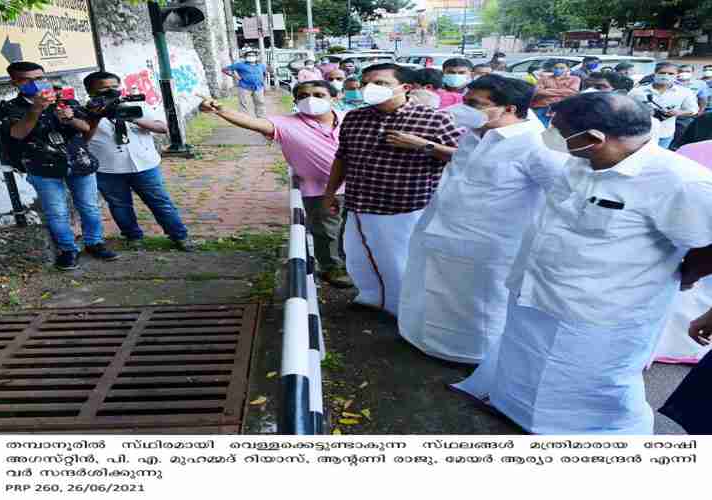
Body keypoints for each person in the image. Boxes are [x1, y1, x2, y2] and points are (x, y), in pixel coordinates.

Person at [453, 92, 712, 434]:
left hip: (601, 310)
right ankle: (517, 414)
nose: (548, 133)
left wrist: (686, 275)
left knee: (590, 385)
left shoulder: (680, 182)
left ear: (594, 139)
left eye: (557, 129)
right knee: (525, 362)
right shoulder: (580, 159)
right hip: (537, 291)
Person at [397, 75, 566, 363]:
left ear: (510, 108)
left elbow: (564, 196)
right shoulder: (475, 132)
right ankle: (427, 342)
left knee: (477, 308)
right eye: (465, 101)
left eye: (475, 104)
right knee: (430, 294)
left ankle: (475, 359)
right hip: (439, 232)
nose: (464, 108)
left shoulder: (539, 145)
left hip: (488, 249)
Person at [321, 63, 461, 316]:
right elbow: (342, 158)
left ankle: (405, 312)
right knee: (359, 258)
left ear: (405, 88)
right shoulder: (355, 117)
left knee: (401, 264)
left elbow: (466, 157)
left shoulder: (435, 118)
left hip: (405, 209)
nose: (369, 88)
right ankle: (372, 298)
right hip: (359, 203)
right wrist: (330, 193)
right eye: (366, 83)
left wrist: (424, 145)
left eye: (380, 83)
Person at [198, 81, 353, 288]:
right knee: (326, 233)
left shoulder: (351, 119)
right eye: (304, 95)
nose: (311, 99)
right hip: (319, 191)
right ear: (296, 101)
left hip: (360, 187)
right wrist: (220, 110)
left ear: (334, 98)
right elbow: (250, 122)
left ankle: (356, 265)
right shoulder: (284, 124)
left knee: (355, 231)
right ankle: (331, 267)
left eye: (318, 94)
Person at [0, 62, 118, 270]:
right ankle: (68, 249)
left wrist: (70, 119)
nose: (37, 83)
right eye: (28, 80)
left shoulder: (65, 100)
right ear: (15, 82)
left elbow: (86, 127)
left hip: (79, 161)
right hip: (42, 167)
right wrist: (36, 108)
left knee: (89, 207)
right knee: (57, 212)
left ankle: (94, 243)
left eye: (40, 78)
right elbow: (17, 133)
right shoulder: (10, 108)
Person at [82, 71, 191, 252]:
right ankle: (133, 236)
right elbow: (82, 139)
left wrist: (133, 117)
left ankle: (180, 236)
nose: (111, 91)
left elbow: (162, 128)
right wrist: (96, 116)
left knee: (160, 202)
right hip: (109, 168)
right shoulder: (83, 112)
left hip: (145, 165)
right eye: (103, 88)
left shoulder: (136, 103)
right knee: (119, 205)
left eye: (114, 87)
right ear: (90, 91)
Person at [628, 62, 698, 149]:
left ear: (676, 75)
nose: (666, 76)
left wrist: (678, 112)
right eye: (662, 73)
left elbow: (693, 110)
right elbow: (625, 108)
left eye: (671, 74)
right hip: (639, 133)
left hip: (664, 134)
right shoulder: (637, 91)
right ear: (655, 73)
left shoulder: (685, 92)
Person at [530, 62, 580, 126]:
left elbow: (572, 92)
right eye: (556, 68)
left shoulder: (574, 79)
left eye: (562, 68)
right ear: (552, 69)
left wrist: (548, 90)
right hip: (542, 106)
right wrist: (563, 92)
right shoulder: (544, 78)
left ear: (568, 69)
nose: (558, 70)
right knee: (540, 127)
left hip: (562, 108)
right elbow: (538, 91)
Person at [223, 51, 267, 118]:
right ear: (245, 57)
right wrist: (235, 76)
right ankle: (244, 119)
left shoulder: (261, 65)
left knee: (260, 103)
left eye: (253, 55)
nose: (251, 57)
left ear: (256, 57)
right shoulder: (240, 65)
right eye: (249, 55)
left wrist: (263, 82)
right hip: (244, 87)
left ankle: (261, 118)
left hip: (258, 87)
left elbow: (264, 73)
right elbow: (224, 69)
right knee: (243, 103)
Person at [673, 66, 708, 147]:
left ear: (692, 72)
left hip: (687, 114)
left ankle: (677, 148)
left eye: (687, 71)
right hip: (669, 113)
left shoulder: (700, 84)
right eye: (681, 71)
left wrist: (700, 111)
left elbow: (702, 99)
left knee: (683, 134)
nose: (684, 73)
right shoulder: (671, 82)